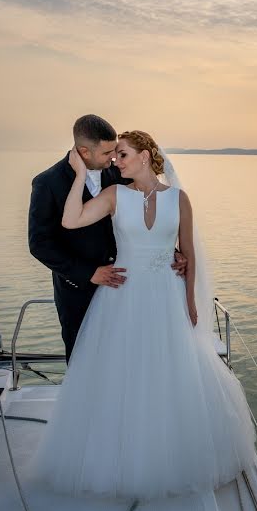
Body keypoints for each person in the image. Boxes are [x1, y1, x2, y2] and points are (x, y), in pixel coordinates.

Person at [30, 130, 257, 499]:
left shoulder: (180, 199)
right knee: (123, 374)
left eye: (122, 155)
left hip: (167, 297)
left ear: (146, 155)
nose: (116, 162)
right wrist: (74, 176)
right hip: (123, 296)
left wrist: (191, 301)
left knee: (170, 371)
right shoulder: (114, 194)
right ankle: (121, 454)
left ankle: (171, 451)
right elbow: (70, 222)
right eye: (114, 156)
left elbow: (189, 253)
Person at [28, 114, 186, 363]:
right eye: (106, 153)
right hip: (79, 291)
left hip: (128, 286)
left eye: (115, 151)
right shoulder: (47, 183)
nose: (113, 158)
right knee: (84, 361)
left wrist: (170, 251)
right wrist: (89, 272)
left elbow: (144, 214)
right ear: (84, 151)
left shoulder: (120, 172)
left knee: (128, 357)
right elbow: (39, 244)